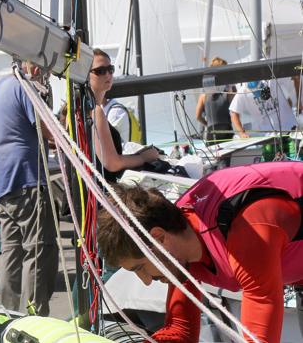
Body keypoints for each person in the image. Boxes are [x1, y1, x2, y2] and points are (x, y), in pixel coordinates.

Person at [96, 162, 303, 342]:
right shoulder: (181, 244)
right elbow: (180, 330)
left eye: (140, 267)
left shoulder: (248, 227)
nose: (146, 281)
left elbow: (259, 336)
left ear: (158, 238)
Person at [0, 60, 58, 316]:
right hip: (28, 180)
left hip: (3, 185)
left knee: (12, 251)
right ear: (31, 66)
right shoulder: (24, 87)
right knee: (39, 248)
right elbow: (47, 129)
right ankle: (35, 315)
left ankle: (9, 312)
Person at [90, 49, 159, 182]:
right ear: (86, 75)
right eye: (100, 71)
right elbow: (111, 163)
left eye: (110, 69)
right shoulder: (95, 111)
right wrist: (143, 157)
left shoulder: (81, 108)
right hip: (98, 194)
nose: (108, 75)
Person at [229, 79, 297, 139]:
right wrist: (242, 133)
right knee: (270, 153)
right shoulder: (243, 91)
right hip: (267, 135)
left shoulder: (271, 80)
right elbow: (233, 112)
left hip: (289, 128)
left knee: (293, 152)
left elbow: (294, 77)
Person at [195, 57, 236, 145]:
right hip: (226, 130)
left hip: (211, 131)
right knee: (227, 157)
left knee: (215, 158)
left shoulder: (203, 95)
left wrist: (208, 125)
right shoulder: (229, 92)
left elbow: (198, 116)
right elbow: (235, 109)